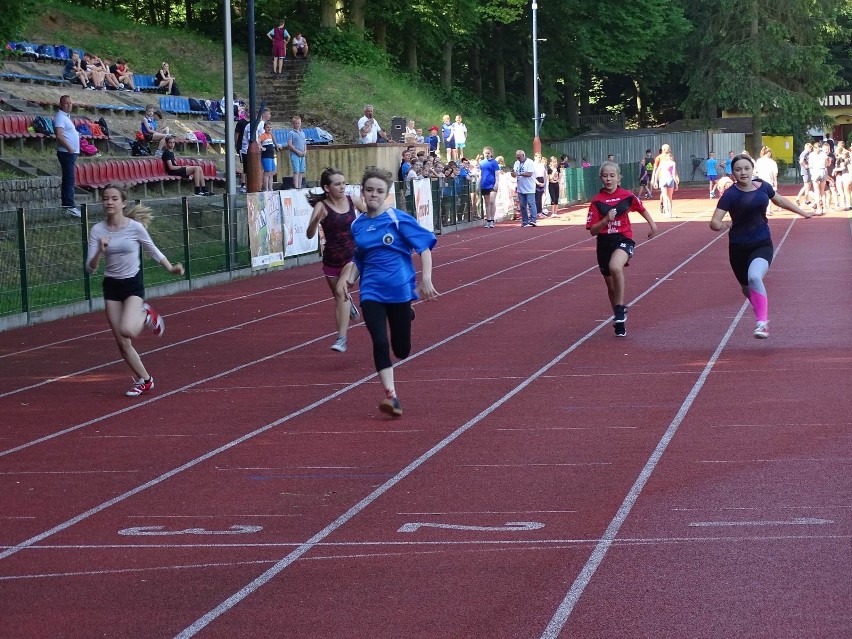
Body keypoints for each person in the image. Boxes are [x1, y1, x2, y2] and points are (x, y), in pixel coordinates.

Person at [340, 167, 438, 417]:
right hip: (371, 291)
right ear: (362, 192)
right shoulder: (358, 226)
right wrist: (349, 279)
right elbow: (360, 258)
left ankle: (407, 312)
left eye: (379, 191)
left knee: (402, 350)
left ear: (386, 195)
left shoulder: (397, 219)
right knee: (379, 342)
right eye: (369, 190)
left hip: (399, 290)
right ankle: (392, 397)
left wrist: (425, 278)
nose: (373, 194)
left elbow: (424, 247)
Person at [86, 184, 185, 397]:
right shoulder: (97, 231)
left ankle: (146, 313)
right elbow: (90, 268)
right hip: (111, 286)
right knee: (122, 343)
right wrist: (99, 253)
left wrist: (170, 268)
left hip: (132, 284)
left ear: (123, 202)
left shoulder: (134, 228)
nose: (109, 202)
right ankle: (145, 380)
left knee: (128, 330)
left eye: (114, 198)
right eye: (105, 198)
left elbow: (152, 249)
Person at [709, 154, 813, 339]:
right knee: (747, 288)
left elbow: (779, 201)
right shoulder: (730, 195)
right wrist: (724, 225)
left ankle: (762, 323)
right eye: (738, 169)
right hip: (738, 248)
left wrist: (802, 212)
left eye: (746, 168)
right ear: (732, 173)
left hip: (761, 243)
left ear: (752, 169)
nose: (743, 172)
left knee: (755, 277)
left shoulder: (763, 186)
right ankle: (760, 316)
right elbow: (714, 223)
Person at [586, 161, 658, 337]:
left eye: (612, 175)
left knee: (615, 266)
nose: (608, 179)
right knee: (611, 287)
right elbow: (592, 231)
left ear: (619, 178)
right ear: (601, 178)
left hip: (623, 238)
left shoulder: (627, 196)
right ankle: (619, 320)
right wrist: (605, 221)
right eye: (605, 176)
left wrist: (653, 226)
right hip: (604, 243)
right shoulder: (597, 201)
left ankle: (619, 309)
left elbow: (641, 209)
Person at [306, 168, 366, 352]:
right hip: (331, 259)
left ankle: (341, 338)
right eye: (337, 184)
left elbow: (370, 215)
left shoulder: (352, 200)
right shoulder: (321, 207)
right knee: (339, 297)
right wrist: (316, 221)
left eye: (343, 183)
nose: (342, 187)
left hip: (352, 256)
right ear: (327, 187)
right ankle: (349, 305)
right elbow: (309, 235)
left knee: (341, 291)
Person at [54, 95, 81, 217]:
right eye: (66, 103)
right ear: (61, 104)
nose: (69, 105)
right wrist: (69, 148)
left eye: (70, 103)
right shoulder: (60, 117)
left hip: (70, 153)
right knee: (69, 180)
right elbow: (59, 135)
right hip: (66, 153)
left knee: (69, 180)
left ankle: (68, 206)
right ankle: (69, 206)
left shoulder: (66, 117)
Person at [512, 149, 538, 227]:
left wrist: (519, 173)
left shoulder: (530, 162)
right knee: (522, 205)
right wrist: (513, 174)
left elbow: (529, 173)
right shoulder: (516, 163)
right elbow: (514, 173)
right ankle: (525, 221)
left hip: (529, 187)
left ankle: (533, 219)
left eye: (519, 157)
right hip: (520, 187)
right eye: (517, 157)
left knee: (531, 203)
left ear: (523, 155)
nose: (518, 159)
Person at [651, 148, 679, 218]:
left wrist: (655, 181)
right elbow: (673, 173)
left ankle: (666, 213)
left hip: (663, 179)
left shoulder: (662, 163)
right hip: (670, 179)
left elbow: (657, 172)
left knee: (665, 197)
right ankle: (670, 213)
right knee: (670, 198)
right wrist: (676, 183)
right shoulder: (673, 163)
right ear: (671, 157)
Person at [753, 146, 778, 215]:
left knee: (759, 195)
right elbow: (775, 173)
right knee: (768, 195)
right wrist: (775, 181)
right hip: (768, 180)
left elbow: (755, 171)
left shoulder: (758, 160)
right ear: (769, 153)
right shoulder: (772, 162)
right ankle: (768, 210)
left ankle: (759, 209)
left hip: (759, 180)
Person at [479, 146, 500, 228]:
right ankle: (488, 219)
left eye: (488, 153)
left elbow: (497, 174)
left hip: (492, 184)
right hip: (484, 184)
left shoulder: (494, 162)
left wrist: (496, 183)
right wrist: (478, 184)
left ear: (491, 154)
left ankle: (492, 219)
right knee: (487, 202)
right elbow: (480, 174)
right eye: (485, 153)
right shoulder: (481, 163)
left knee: (492, 201)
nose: (487, 155)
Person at [287, 115, 307, 189]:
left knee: (301, 171)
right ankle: (296, 187)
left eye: (299, 123)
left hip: (302, 154)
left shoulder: (303, 133)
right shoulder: (291, 133)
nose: (297, 125)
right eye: (296, 123)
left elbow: (304, 143)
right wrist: (297, 151)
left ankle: (300, 186)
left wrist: (305, 151)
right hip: (295, 154)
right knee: (296, 171)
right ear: (293, 124)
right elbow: (289, 144)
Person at [258, 121, 278, 191]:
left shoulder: (270, 135)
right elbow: (258, 141)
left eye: (270, 127)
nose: (269, 128)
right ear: (264, 128)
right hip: (266, 156)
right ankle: (266, 188)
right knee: (267, 172)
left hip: (271, 155)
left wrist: (276, 146)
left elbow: (274, 142)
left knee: (272, 173)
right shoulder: (263, 135)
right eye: (267, 127)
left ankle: (270, 188)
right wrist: (261, 147)